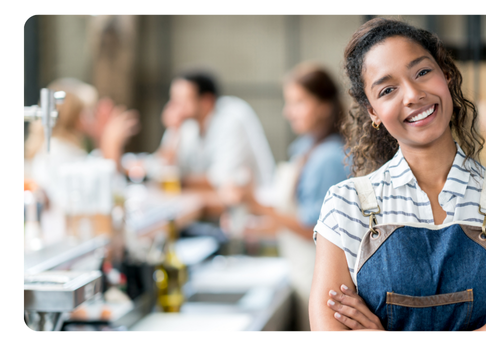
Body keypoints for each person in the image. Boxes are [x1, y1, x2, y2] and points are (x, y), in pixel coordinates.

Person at [309, 18, 486, 331]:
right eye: (388, 89)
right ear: (372, 111)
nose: (413, 95)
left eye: (423, 72)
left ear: (447, 76)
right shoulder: (345, 206)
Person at [235, 63, 350, 331]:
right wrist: (257, 227)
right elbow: (295, 216)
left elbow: (315, 229)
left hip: (317, 275)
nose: (288, 112)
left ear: (323, 106)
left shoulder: (328, 158)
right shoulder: (305, 147)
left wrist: (256, 204)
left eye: (298, 102)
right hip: (299, 272)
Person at [154, 70, 276, 216]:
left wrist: (177, 180)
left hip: (254, 213)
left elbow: (220, 179)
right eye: (173, 99)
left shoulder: (233, 118)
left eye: (181, 100)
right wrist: (173, 131)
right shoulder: (186, 124)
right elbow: (163, 168)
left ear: (206, 101)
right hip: (216, 206)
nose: (173, 107)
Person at [25, 78, 140, 205]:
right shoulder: (58, 152)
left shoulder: (68, 149)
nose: (94, 117)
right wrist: (110, 144)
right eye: (90, 111)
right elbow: (110, 198)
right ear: (77, 117)